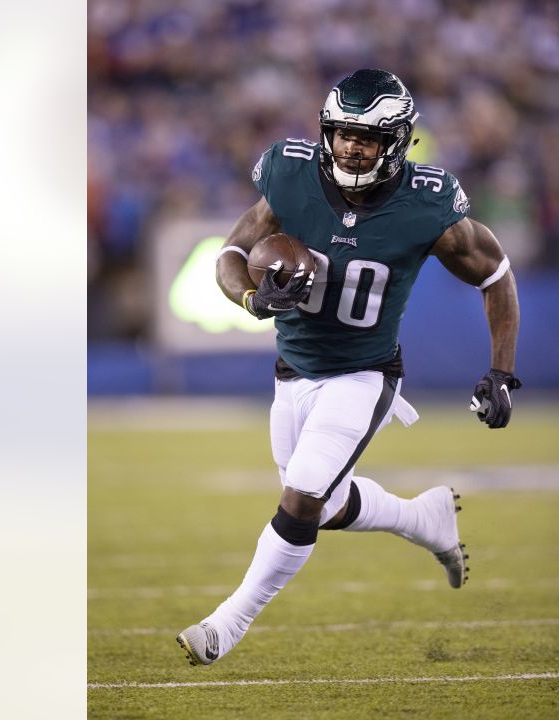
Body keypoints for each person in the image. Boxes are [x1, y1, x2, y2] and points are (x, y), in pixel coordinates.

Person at [176, 68, 521, 667]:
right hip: (293, 370)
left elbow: (494, 274)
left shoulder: (426, 203)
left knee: (304, 496)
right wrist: (251, 300)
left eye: (366, 137)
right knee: (327, 507)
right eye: (341, 133)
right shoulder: (290, 174)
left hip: (364, 375)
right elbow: (232, 253)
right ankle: (423, 517)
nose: (350, 147)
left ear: (398, 141)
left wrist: (500, 371)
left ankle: (227, 623)